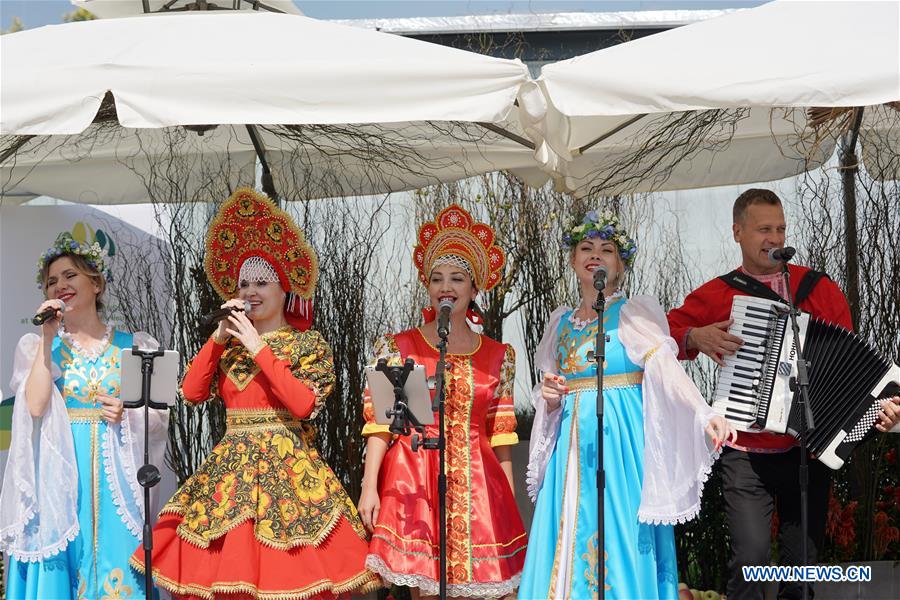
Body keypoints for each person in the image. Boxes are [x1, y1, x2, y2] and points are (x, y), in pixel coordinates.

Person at [132, 188, 379, 599]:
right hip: (231, 468)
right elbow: (192, 393)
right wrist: (218, 338)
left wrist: (260, 348)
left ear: (285, 289)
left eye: (262, 283)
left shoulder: (308, 344)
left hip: (289, 468)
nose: (251, 291)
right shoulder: (228, 345)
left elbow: (304, 404)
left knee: (290, 578)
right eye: (244, 283)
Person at [667, 188, 900, 600]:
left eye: (780, 228)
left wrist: (879, 410)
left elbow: (853, 368)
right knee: (751, 560)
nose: (774, 238)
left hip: (806, 454)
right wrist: (693, 336)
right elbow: (660, 337)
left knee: (803, 568)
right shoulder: (718, 293)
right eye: (763, 229)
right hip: (744, 450)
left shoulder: (818, 288)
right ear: (738, 232)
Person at [518, 210, 735, 600]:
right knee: (568, 531)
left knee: (619, 530)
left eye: (607, 249)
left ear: (619, 266)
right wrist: (549, 398)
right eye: (586, 247)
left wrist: (703, 414)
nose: (595, 255)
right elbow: (548, 391)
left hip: (620, 446)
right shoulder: (559, 323)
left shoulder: (632, 315)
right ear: (572, 260)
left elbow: (666, 369)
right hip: (572, 451)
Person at [357, 204, 527, 598]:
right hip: (416, 475)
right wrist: (370, 488)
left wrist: (508, 501)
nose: (445, 287)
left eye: (456, 278)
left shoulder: (499, 355)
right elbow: (380, 422)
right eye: (437, 279)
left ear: (474, 287)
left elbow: (501, 432)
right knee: (426, 590)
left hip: (480, 483)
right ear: (427, 286)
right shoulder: (398, 346)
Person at [0, 232, 170, 599]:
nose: (60, 285)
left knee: (120, 561)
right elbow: (33, 406)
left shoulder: (136, 347)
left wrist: (130, 412)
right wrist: (47, 339)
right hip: (62, 474)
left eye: (70, 275)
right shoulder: (38, 347)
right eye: (51, 281)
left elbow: (159, 423)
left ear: (96, 283)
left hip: (117, 478)